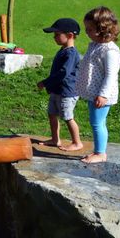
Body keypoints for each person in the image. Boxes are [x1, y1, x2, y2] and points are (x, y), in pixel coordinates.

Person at [76, 7, 120, 164]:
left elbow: (111, 75)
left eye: (90, 29)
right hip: (94, 92)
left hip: (101, 94)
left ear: (103, 29)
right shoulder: (95, 45)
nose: (86, 32)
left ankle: (100, 153)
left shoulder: (110, 51)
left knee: (97, 123)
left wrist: (103, 94)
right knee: (95, 121)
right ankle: (98, 151)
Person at [37, 18, 83, 151]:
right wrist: (51, 86)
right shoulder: (63, 50)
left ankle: (77, 142)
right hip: (57, 90)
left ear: (69, 35)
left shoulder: (71, 54)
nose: (54, 37)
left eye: (57, 34)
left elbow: (64, 73)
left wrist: (46, 83)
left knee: (68, 117)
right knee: (52, 113)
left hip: (67, 92)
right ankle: (55, 139)